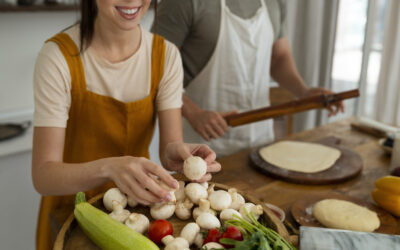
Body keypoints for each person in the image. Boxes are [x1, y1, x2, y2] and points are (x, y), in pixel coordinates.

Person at [32, 1, 221, 249]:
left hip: (138, 212)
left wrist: (178, 154)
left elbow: (169, 148)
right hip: (72, 212)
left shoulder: (166, 55)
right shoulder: (58, 56)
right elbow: (43, 176)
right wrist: (109, 168)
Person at [153, 0, 344, 156]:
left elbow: (278, 57)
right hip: (200, 146)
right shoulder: (181, 3)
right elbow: (155, 67)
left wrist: (303, 91)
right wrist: (194, 113)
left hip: (260, 142)